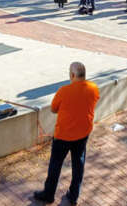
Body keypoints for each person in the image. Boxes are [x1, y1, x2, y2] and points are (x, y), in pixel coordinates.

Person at [33, 62, 100, 206]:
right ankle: (74, 195)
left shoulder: (64, 91)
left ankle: (48, 194)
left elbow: (53, 109)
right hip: (83, 133)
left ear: (72, 75)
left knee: (55, 165)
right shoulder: (93, 88)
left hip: (63, 136)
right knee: (78, 164)